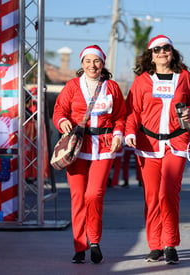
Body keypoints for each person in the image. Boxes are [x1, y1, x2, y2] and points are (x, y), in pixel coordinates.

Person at [125, 35, 190, 264]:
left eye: (165, 48)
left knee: (168, 193)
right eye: (156, 49)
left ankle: (170, 244)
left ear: (172, 51)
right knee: (151, 197)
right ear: (150, 55)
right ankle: (155, 245)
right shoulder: (141, 81)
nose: (161, 52)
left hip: (176, 143)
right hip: (148, 146)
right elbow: (132, 111)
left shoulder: (185, 77)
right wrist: (129, 133)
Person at [52, 45, 126, 264]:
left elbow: (121, 115)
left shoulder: (112, 87)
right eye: (88, 61)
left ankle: (94, 240)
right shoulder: (72, 86)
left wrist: (118, 133)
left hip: (103, 147)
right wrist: (62, 121)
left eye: (97, 61)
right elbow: (59, 110)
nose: (92, 65)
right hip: (77, 148)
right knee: (77, 198)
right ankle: (79, 246)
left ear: (102, 64)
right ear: (81, 63)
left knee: (94, 195)